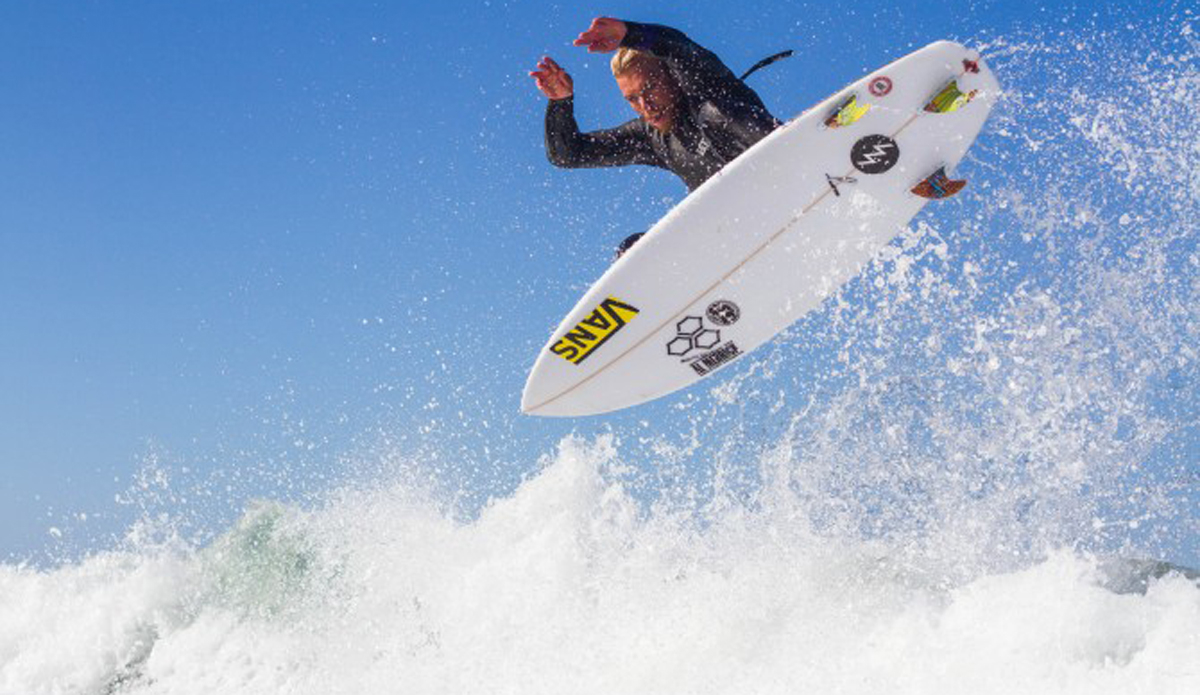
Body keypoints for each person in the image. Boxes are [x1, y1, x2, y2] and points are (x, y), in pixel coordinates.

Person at [529, 17, 783, 256]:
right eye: (632, 99)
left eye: (649, 89)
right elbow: (568, 155)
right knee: (632, 250)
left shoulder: (706, 85)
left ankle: (787, 149)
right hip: (728, 232)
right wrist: (560, 102)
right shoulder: (651, 137)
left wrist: (630, 33)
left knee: (715, 111)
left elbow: (679, 48)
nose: (645, 105)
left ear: (671, 77)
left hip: (781, 175)